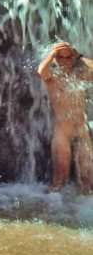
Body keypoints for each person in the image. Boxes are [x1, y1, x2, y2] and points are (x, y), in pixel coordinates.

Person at [37, 41, 93, 193]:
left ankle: (82, 210)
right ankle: (50, 209)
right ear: (55, 59)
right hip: (62, 132)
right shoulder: (52, 78)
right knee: (59, 179)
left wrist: (78, 55)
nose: (64, 61)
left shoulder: (79, 76)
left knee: (87, 180)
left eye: (67, 58)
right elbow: (41, 71)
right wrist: (52, 54)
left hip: (82, 131)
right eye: (60, 58)